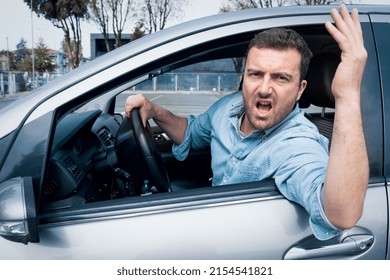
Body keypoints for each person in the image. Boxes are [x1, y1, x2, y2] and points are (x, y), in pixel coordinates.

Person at [124, 4, 368, 241]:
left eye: (281, 78)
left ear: (299, 90)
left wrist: (346, 96)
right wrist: (154, 110)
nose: (263, 89)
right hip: (208, 226)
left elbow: (341, 214)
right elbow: (190, 132)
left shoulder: (298, 143)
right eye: (255, 74)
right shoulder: (228, 106)